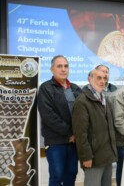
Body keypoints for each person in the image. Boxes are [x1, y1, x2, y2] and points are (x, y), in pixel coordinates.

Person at [37, 55, 82, 186]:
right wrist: (70, 133)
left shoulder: (75, 88)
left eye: (66, 66)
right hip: (56, 142)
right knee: (57, 176)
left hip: (74, 143)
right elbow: (49, 116)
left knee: (72, 174)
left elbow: (82, 113)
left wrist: (77, 134)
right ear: (52, 69)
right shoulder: (46, 88)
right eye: (59, 66)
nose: (63, 69)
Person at [72, 69, 117, 186]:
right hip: (93, 158)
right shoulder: (82, 101)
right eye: (99, 78)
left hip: (107, 155)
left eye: (105, 78)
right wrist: (86, 157)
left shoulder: (104, 98)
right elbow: (80, 133)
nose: (102, 81)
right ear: (89, 79)